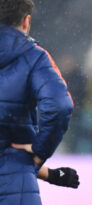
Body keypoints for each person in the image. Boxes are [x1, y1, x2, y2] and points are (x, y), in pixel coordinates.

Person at [0, 0, 74, 204]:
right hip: (16, 183)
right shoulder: (35, 57)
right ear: (26, 21)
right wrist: (41, 150)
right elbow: (60, 107)